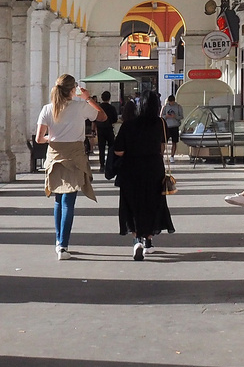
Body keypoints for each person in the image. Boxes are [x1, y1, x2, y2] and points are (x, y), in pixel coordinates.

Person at [36, 74, 108, 260]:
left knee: (58, 201)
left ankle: (59, 242)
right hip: (74, 157)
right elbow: (102, 117)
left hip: (54, 156)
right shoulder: (80, 106)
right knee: (69, 202)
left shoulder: (47, 109)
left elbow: (39, 138)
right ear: (72, 90)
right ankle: (63, 245)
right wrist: (88, 99)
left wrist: (52, 139)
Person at [112, 92, 175, 259]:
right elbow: (162, 147)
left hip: (131, 169)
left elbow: (118, 150)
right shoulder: (160, 123)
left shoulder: (128, 125)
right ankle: (148, 241)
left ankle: (137, 240)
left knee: (132, 204)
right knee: (152, 203)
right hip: (154, 168)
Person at [95, 90, 119, 170]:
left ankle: (102, 164)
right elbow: (115, 119)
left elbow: (94, 118)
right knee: (111, 147)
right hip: (109, 129)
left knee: (101, 147)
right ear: (109, 98)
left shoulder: (98, 107)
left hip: (100, 129)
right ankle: (110, 162)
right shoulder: (112, 108)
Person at [160, 93, 184, 159]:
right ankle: (161, 155)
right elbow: (161, 116)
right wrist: (166, 116)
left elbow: (181, 116)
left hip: (175, 126)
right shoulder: (165, 107)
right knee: (163, 142)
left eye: (172, 102)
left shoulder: (178, 107)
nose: (171, 103)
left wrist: (175, 116)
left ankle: (172, 156)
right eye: (170, 102)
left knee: (174, 142)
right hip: (166, 126)